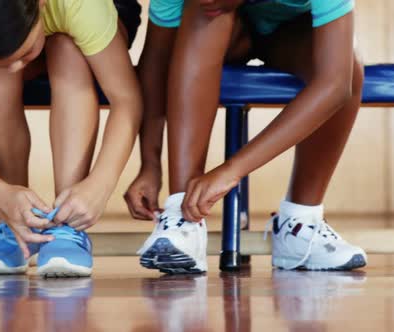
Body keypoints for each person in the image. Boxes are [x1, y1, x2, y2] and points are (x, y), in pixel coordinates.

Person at [129, 0, 367, 273]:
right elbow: (157, 62)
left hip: (290, 35)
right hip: (223, 37)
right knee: (204, 10)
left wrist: (233, 169)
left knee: (348, 66)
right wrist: (150, 163)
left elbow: (336, 85)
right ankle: (183, 218)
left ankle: (300, 223)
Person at [0, 0, 142, 277]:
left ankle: (67, 222)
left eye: (23, 56)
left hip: (99, 15)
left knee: (66, 49)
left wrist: (100, 185)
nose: (16, 69)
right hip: (24, 28)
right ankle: (19, 218)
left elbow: (127, 100)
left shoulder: (81, 6)